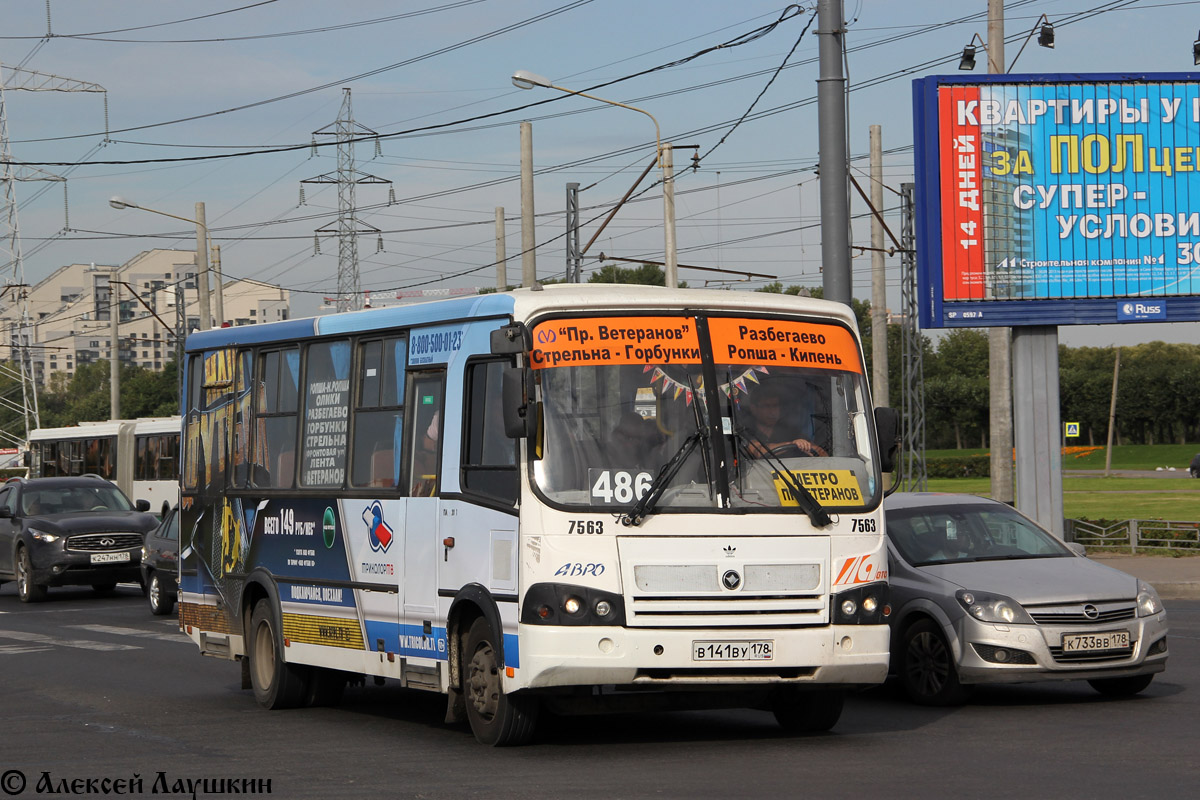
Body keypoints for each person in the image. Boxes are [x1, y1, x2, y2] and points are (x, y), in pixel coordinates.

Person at [740, 384, 827, 457]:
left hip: (789, 476)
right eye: (767, 406)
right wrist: (792, 444)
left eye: (775, 406)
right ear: (753, 408)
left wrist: (808, 448)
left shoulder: (790, 432)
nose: (772, 412)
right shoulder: (746, 430)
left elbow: (823, 455)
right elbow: (758, 451)